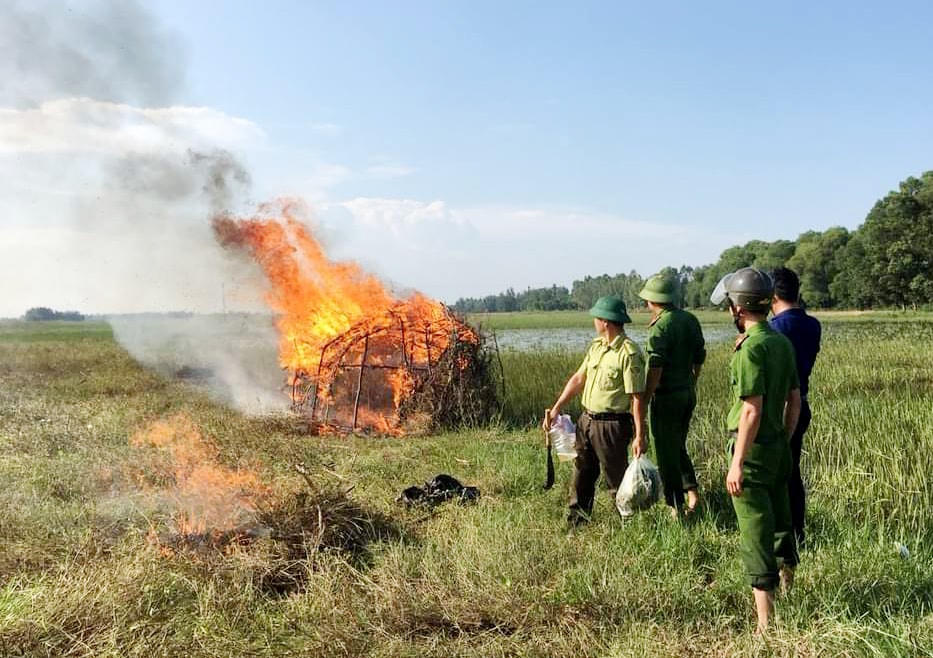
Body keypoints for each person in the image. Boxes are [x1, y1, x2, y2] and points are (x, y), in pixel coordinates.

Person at [710, 267, 800, 632]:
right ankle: (790, 592)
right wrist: (784, 438)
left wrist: (737, 462)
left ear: (738, 309)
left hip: (754, 452)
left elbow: (751, 409)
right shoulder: (781, 342)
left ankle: (765, 626)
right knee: (782, 522)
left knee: (754, 530)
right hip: (779, 448)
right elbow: (794, 400)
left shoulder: (750, 350)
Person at [543, 296, 647, 525]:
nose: (594, 322)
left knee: (616, 480)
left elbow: (637, 398)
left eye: (596, 318)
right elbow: (579, 378)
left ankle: (627, 526)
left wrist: (640, 435)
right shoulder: (596, 347)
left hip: (612, 425)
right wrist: (557, 408)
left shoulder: (628, 353)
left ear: (606, 321)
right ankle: (577, 521)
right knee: (581, 474)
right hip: (586, 421)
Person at [638, 273, 706, 519]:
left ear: (653, 301)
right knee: (677, 445)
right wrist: (692, 380)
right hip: (687, 394)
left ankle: (674, 506)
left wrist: (645, 397)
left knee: (666, 453)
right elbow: (700, 355)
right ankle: (693, 493)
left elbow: (655, 367)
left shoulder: (661, 326)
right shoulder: (690, 319)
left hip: (666, 398)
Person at [769, 267, 821, 550]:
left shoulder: (776, 329)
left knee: (775, 475)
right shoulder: (813, 325)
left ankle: (781, 538)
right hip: (802, 406)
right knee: (793, 472)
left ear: (773, 295)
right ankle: (797, 533)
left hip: (779, 410)